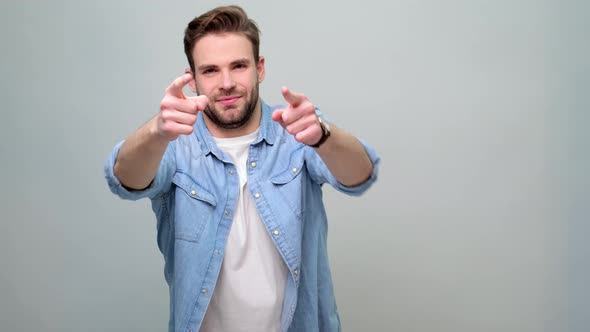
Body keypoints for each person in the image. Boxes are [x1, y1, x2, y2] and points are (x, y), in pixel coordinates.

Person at [104, 5, 379, 332]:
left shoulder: (296, 131)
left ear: (259, 68)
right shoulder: (173, 145)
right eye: (210, 71)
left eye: (238, 66)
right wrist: (156, 132)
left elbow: (360, 176)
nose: (226, 83)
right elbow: (124, 180)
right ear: (192, 79)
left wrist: (324, 136)